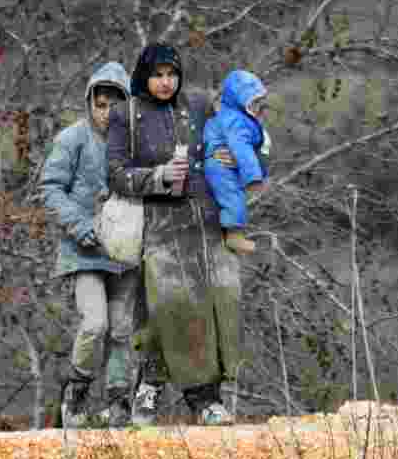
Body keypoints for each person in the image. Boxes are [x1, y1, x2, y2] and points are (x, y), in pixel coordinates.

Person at [107, 43, 243, 427]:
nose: (166, 83)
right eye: (158, 74)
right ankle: (151, 385)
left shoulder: (197, 104)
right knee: (166, 307)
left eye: (172, 74)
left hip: (205, 223)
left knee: (216, 303)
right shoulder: (126, 115)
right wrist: (157, 177)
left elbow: (229, 134)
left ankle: (207, 399)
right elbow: (114, 174)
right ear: (144, 76)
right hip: (158, 223)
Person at [40, 62, 140, 428]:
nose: (107, 112)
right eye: (100, 104)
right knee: (95, 322)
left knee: (121, 328)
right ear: (90, 104)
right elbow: (50, 188)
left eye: (115, 105)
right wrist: (80, 225)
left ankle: (118, 400)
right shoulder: (73, 140)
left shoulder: (137, 145)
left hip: (124, 253)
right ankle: (77, 390)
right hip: (83, 253)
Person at [203, 69, 270, 255]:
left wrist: (257, 167)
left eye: (258, 102)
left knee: (234, 195)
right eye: (253, 102)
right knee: (232, 195)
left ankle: (233, 233)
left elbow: (259, 154)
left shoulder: (243, 119)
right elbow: (241, 148)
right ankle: (234, 235)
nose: (257, 106)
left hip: (223, 165)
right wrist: (253, 176)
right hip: (218, 164)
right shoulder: (235, 120)